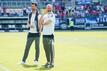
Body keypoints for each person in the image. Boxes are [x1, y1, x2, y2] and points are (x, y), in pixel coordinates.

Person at [39, 4, 55, 68]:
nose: (48, 8)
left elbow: (48, 22)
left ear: (51, 8)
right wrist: (43, 14)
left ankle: (52, 63)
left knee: (51, 50)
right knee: (46, 50)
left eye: (49, 7)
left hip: (50, 35)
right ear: (46, 8)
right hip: (44, 35)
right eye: (47, 7)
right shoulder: (45, 15)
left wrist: (42, 23)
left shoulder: (52, 15)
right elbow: (40, 21)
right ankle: (48, 62)